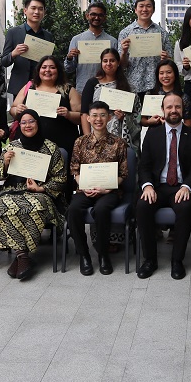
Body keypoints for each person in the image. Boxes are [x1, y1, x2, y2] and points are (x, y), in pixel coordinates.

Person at [0, 109, 68, 279]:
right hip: (13, 191)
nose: (27, 125)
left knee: (35, 205)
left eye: (31, 121)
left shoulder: (51, 147)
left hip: (42, 193)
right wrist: (5, 162)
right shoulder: (12, 146)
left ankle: (21, 256)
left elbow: (61, 178)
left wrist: (41, 188)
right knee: (3, 204)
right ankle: (23, 256)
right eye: (23, 122)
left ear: (38, 123)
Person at [136, 92, 191, 280]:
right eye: (169, 107)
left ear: (183, 109)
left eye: (177, 107)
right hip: (158, 186)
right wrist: (147, 186)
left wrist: (187, 187)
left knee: (185, 207)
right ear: (162, 110)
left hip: (182, 187)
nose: (173, 110)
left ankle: (177, 261)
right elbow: (145, 166)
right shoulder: (152, 134)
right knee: (142, 206)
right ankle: (150, 260)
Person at [67, 101, 129, 276]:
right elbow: (75, 170)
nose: (98, 119)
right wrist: (83, 185)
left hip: (110, 191)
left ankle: (103, 254)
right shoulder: (80, 142)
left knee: (101, 210)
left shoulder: (119, 143)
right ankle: (84, 255)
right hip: (85, 189)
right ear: (88, 118)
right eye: (94, 115)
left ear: (109, 118)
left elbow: (123, 174)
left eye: (102, 115)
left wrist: (107, 188)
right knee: (73, 210)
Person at [10, 55, 81, 162]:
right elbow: (13, 109)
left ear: (58, 70)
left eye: (52, 67)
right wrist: (17, 110)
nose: (47, 70)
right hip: (29, 145)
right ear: (38, 70)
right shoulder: (29, 86)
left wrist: (69, 114)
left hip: (60, 146)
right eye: (44, 67)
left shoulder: (68, 90)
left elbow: (82, 116)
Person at [0, 0, 55, 98]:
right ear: (25, 11)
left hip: (42, 85)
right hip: (20, 85)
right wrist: (14, 54)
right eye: (33, 8)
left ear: (44, 13)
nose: (36, 12)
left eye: (40, 9)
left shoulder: (48, 36)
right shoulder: (13, 32)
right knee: (20, 113)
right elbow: (4, 61)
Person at [80, 47, 137, 145]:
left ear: (118, 63)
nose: (108, 64)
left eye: (112, 60)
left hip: (120, 139)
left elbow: (136, 116)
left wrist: (123, 118)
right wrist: (88, 138)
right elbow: (84, 113)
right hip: (96, 136)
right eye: (105, 61)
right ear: (101, 63)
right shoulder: (92, 83)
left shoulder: (128, 87)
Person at [118, 0, 173, 95]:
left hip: (157, 86)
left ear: (153, 10)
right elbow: (122, 65)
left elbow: (170, 62)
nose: (145, 9)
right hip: (132, 86)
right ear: (135, 10)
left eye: (148, 6)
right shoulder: (125, 33)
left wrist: (166, 59)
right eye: (141, 6)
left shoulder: (162, 33)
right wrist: (124, 52)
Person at [64, 1, 118, 95]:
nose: (96, 18)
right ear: (87, 16)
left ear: (104, 18)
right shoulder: (77, 39)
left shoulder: (112, 41)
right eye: (93, 14)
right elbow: (69, 69)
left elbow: (117, 68)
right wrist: (69, 58)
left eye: (100, 15)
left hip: (107, 89)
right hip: (82, 89)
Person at [141, 59, 191, 130]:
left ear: (175, 74)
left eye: (169, 72)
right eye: (161, 73)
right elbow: (142, 120)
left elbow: (188, 124)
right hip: (154, 135)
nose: (165, 76)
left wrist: (172, 124)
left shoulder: (183, 97)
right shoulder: (150, 94)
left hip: (176, 136)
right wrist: (148, 122)